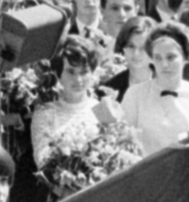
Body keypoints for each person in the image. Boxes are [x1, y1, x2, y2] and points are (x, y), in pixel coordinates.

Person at [30, 34, 121, 168]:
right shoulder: (45, 113)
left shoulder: (102, 108)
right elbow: (43, 162)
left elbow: (115, 157)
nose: (78, 80)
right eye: (71, 72)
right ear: (58, 74)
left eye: (84, 72)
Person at [117, 22, 189, 156]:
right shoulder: (135, 94)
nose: (164, 64)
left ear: (185, 57)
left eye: (171, 57)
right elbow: (123, 143)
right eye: (158, 58)